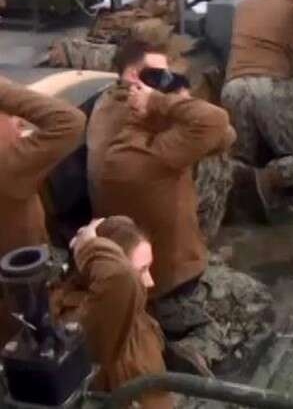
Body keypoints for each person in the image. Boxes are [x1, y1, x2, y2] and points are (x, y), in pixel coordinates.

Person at [91, 63, 235, 303]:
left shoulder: (134, 135)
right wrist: (158, 101)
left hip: (152, 273)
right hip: (171, 286)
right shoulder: (152, 153)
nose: (183, 113)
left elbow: (226, 135)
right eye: (179, 107)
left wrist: (163, 105)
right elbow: (217, 121)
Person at [88, 38, 231, 240]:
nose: (166, 81)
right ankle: (202, 236)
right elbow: (225, 133)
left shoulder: (108, 99)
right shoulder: (141, 111)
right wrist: (174, 102)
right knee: (216, 159)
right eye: (159, 75)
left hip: (120, 211)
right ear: (134, 75)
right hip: (147, 218)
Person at [52, 216, 173, 409]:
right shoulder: (88, 316)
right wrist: (88, 247)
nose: (150, 282)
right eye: (141, 271)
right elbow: (120, 277)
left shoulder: (125, 305)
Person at [221, 0, 293, 210]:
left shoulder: (246, 2)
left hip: (233, 85)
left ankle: (231, 187)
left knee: (240, 155)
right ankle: (267, 180)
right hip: (271, 86)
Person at [0, 77, 85, 344]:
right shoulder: (9, 168)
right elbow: (70, 122)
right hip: (23, 299)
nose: (20, 123)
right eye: (8, 116)